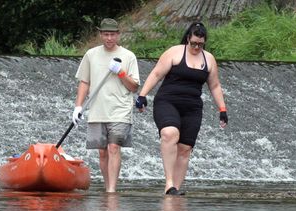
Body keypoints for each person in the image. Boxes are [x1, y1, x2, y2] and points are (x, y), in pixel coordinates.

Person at [134, 22, 228, 195]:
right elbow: (156, 74)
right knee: (170, 134)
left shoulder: (209, 59)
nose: (196, 47)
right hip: (167, 101)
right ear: (187, 39)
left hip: (192, 107)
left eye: (200, 44)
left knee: (185, 149)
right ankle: (168, 183)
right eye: (193, 43)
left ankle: (175, 189)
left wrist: (222, 109)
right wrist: (142, 96)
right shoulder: (174, 52)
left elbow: (214, 86)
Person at [72, 18, 141, 193]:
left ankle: (111, 190)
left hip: (120, 109)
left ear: (118, 35)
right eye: (106, 34)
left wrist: (121, 72)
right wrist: (78, 107)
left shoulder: (128, 56)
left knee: (114, 147)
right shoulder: (91, 54)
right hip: (97, 109)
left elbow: (134, 86)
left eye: (112, 34)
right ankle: (107, 185)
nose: (109, 38)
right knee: (102, 152)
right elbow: (84, 82)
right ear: (101, 35)